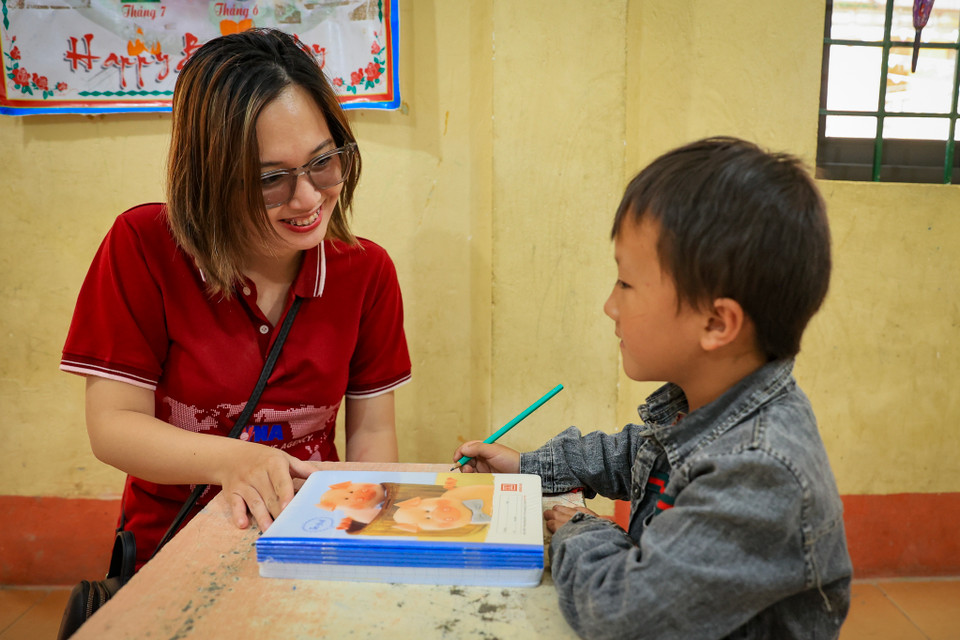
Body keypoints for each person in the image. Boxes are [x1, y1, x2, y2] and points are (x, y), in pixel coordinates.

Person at [453, 137, 852, 639]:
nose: (609, 306)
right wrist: (528, 466)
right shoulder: (707, 405)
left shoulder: (759, 472)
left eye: (625, 284)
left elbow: (620, 612)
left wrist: (580, 526)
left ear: (715, 322)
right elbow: (636, 457)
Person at [61, 28, 411, 570]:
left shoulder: (366, 272)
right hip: (170, 552)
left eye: (324, 161)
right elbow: (113, 426)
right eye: (270, 178)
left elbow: (373, 430)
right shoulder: (144, 244)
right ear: (210, 177)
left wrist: (365, 538)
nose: (307, 198)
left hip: (311, 541)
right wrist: (235, 460)